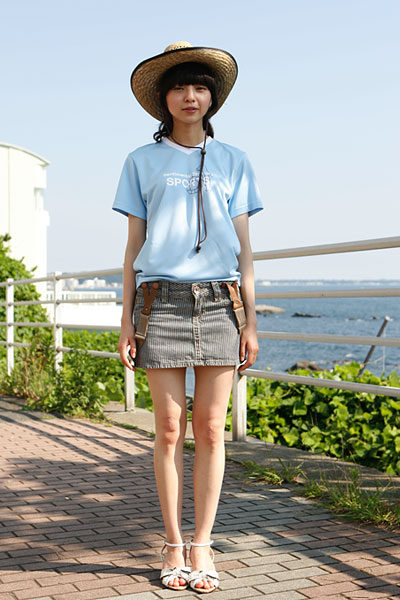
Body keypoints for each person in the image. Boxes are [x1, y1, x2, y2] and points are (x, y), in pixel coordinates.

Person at [113, 41, 263, 594]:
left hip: (221, 302)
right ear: (164, 99)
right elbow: (133, 248)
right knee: (170, 429)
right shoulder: (141, 161)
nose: (190, 96)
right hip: (160, 303)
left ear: (212, 97)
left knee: (211, 430)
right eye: (179, 87)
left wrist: (251, 320)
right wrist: (125, 320)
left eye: (200, 86)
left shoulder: (234, 160)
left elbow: (244, 249)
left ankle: (203, 544)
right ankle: (173, 544)